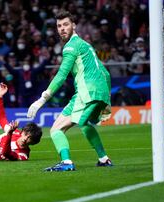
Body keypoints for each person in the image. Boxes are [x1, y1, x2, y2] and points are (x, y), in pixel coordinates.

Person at [27, 10, 112, 172]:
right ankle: (104, 159)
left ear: (74, 26)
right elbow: (106, 73)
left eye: (66, 24)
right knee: (84, 123)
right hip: (99, 92)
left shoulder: (71, 46)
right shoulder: (86, 45)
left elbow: (61, 75)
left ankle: (66, 162)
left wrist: (42, 99)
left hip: (86, 92)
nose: (62, 28)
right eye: (59, 26)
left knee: (56, 129)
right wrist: (106, 98)